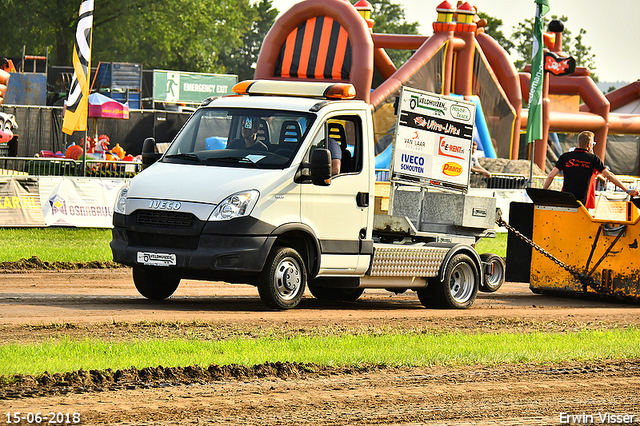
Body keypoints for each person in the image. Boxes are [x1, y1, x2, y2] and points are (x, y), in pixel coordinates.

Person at [543, 131, 638, 208]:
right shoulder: (593, 159)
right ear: (589, 144)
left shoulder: (565, 157)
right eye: (593, 143)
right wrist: (627, 190)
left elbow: (551, 176)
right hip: (583, 202)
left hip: (566, 200)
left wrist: (543, 192)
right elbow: (609, 175)